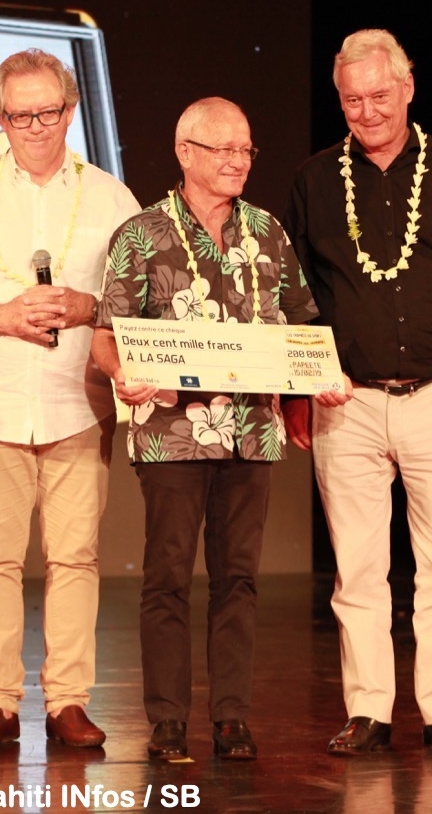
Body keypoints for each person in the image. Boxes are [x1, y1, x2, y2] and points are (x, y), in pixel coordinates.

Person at [283, 29, 432, 756]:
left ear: (408, 87)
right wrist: (302, 383)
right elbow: (297, 297)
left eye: (380, 95)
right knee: (357, 568)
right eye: (352, 100)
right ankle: (368, 711)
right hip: (346, 401)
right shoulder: (315, 179)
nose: (368, 111)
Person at [0, 49, 139, 749]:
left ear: (70, 111)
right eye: (20, 116)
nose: (35, 127)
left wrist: (87, 304)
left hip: (79, 401)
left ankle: (69, 700)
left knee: (76, 557)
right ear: (0, 118)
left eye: (48, 112)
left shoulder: (112, 197)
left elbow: (142, 296)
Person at [91, 98, 319, 761]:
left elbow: (303, 320)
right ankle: (167, 720)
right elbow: (106, 335)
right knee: (167, 575)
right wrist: (124, 374)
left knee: (238, 577)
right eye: (223, 149)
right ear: (185, 152)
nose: (238, 161)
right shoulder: (141, 235)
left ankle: (231, 717)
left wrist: (315, 374)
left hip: (252, 429)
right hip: (172, 432)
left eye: (245, 149)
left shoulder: (268, 232)